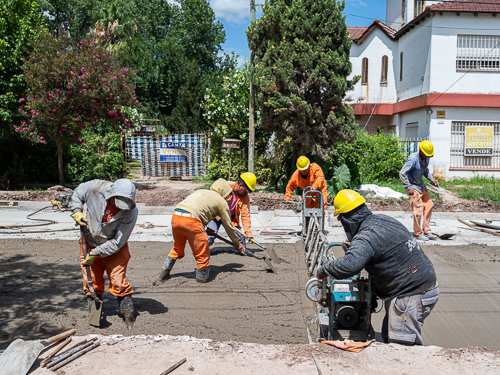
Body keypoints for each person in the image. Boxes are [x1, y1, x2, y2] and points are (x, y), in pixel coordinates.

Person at [316, 189, 439, 346]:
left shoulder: (366, 235)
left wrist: (325, 268)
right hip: (416, 283)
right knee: (389, 334)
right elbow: (376, 249)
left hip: (412, 292)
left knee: (402, 346)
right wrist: (356, 247)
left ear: (348, 219)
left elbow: (351, 265)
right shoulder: (381, 220)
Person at [70, 178, 138, 329]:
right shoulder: (95, 187)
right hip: (89, 242)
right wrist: (76, 211)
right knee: (91, 282)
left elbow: (117, 242)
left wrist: (96, 252)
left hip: (114, 249)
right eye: (116, 203)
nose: (119, 208)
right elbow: (77, 194)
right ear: (111, 195)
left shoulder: (131, 212)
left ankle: (129, 316)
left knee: (119, 282)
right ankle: (94, 315)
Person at [154, 179, 245, 284]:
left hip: (176, 217)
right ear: (223, 192)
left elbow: (197, 210)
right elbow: (228, 226)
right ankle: (202, 279)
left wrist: (206, 228)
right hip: (192, 221)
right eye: (229, 194)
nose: (229, 197)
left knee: (177, 249)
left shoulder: (200, 191)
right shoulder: (221, 202)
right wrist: (237, 243)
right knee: (202, 252)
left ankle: (163, 275)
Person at [400, 140, 440, 241]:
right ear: (420, 151)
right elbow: (402, 173)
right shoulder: (412, 159)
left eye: (428, 156)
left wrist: (432, 179)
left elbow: (425, 170)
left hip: (420, 184)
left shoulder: (426, 158)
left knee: (429, 204)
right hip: (412, 186)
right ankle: (418, 233)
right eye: (426, 155)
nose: (427, 157)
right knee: (418, 209)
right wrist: (408, 187)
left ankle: (426, 230)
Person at [206, 172, 256, 249]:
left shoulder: (245, 197)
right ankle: (201, 252)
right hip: (215, 214)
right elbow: (212, 199)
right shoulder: (225, 186)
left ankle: (242, 250)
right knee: (209, 236)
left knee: (240, 237)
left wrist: (249, 234)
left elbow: (245, 215)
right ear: (240, 186)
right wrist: (217, 215)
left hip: (230, 217)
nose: (246, 193)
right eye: (246, 190)